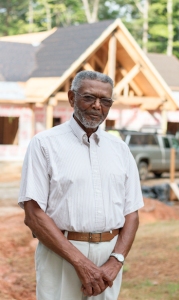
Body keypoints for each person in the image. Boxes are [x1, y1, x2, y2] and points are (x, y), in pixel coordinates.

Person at [18, 70, 144, 300]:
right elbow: (33, 214)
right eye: (89, 97)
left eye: (105, 100)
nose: (97, 106)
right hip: (61, 256)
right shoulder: (44, 144)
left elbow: (132, 213)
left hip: (109, 260)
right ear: (71, 98)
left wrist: (116, 262)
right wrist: (81, 262)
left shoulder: (120, 149)